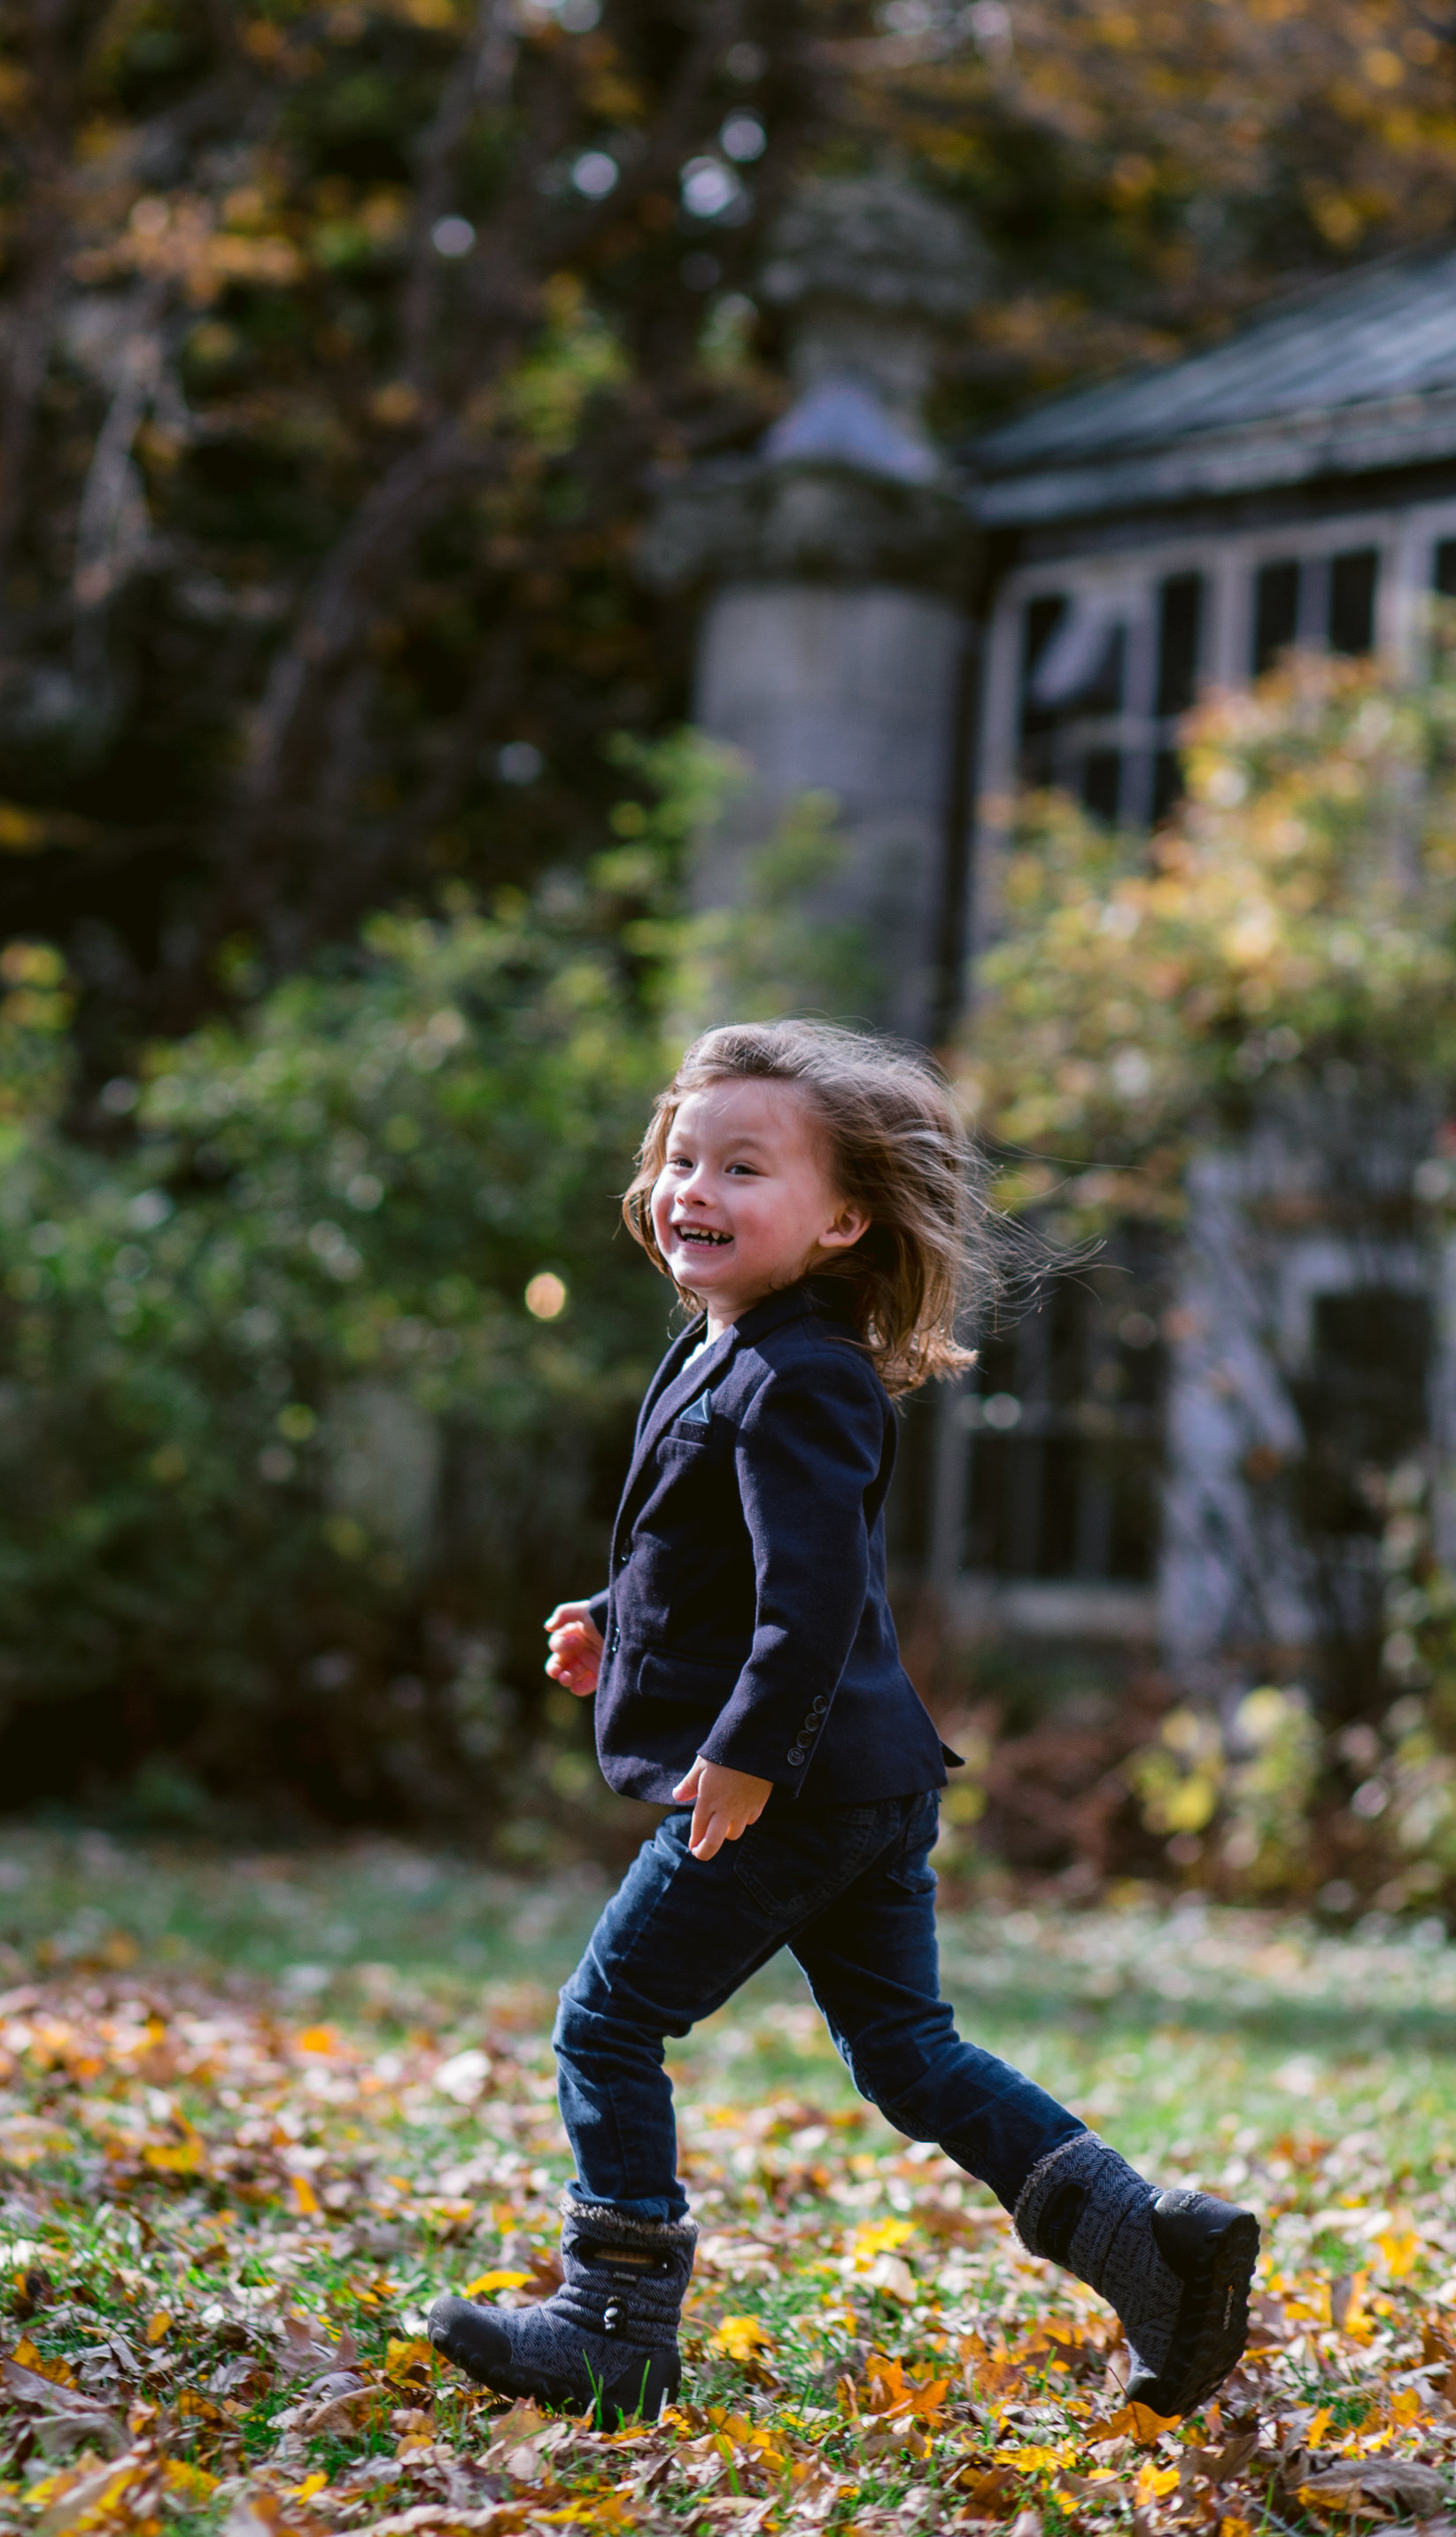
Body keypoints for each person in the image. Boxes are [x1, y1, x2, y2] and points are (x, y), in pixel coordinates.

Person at [429, 1018, 1257, 2429]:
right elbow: (717, 1561)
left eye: (745, 1167)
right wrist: (614, 1622)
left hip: (794, 1780)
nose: (697, 1186)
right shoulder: (723, 1343)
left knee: (608, 2018)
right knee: (908, 2053)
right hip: (861, 1775)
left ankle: (615, 2321)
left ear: (842, 1219)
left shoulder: (800, 1371)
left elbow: (811, 1603)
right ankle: (1156, 2245)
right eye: (684, 1156)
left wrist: (745, 1753)